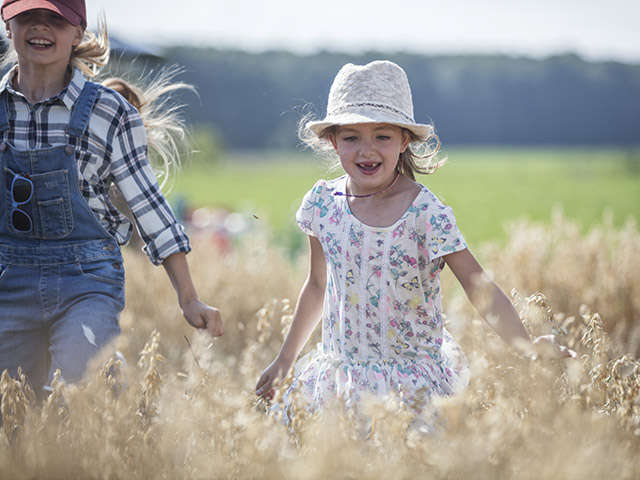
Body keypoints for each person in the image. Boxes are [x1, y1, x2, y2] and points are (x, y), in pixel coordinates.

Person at [255, 60, 572, 423]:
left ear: (405, 140)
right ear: (333, 141)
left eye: (382, 136)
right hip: (339, 379)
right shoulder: (323, 205)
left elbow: (478, 286)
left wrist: (526, 348)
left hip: (410, 385)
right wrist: (285, 359)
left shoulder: (425, 212)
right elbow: (316, 285)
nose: (367, 150)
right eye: (351, 137)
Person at [0, 0, 223, 400]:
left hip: (86, 278)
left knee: (86, 386)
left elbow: (149, 205)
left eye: (56, 19)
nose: (41, 27)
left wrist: (188, 297)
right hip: (7, 279)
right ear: (7, 23)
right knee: (13, 407)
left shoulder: (109, 112)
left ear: (78, 33)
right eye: (28, 16)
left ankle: (112, 445)